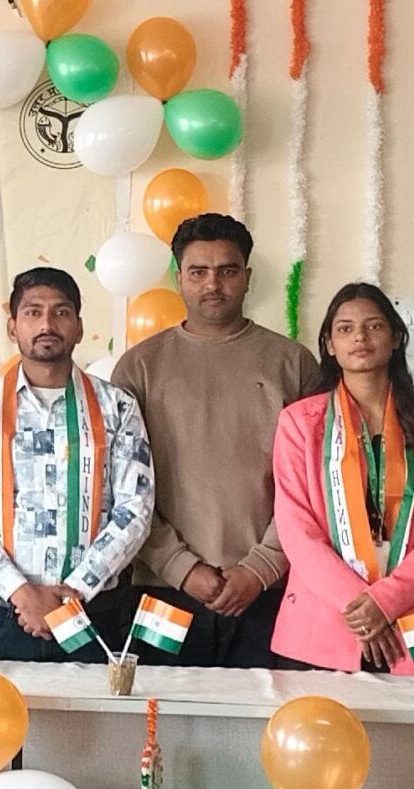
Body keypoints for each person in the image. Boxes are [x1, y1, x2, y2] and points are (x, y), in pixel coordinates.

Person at [110, 213, 313, 666]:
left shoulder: (293, 363)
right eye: (198, 272)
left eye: (227, 271)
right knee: (160, 705)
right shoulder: (139, 368)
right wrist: (181, 568)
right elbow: (122, 488)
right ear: (178, 278)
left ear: (248, 277)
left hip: (270, 588)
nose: (213, 284)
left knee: (269, 707)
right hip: (163, 589)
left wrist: (260, 567)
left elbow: (313, 486)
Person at [0, 267, 155, 661]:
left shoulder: (118, 406)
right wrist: (21, 592)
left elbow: (136, 508)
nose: (47, 324)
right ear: (13, 327)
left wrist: (74, 592)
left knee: (94, 705)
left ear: (79, 327)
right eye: (33, 312)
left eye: (61, 312)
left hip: (91, 612)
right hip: (2, 612)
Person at [272, 284, 414, 674]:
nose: (360, 337)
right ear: (329, 345)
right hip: (325, 622)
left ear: (396, 338)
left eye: (374, 325)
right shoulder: (299, 423)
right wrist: (363, 608)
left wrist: (387, 601)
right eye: (345, 329)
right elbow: (297, 530)